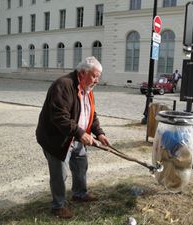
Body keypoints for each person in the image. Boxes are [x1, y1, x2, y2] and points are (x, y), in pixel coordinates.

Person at [36, 56, 110, 219]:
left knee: (80, 164)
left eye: (98, 77)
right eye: (94, 76)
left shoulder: (87, 89)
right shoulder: (63, 85)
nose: (97, 80)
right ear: (82, 73)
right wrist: (81, 133)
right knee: (59, 174)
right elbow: (59, 117)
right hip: (56, 139)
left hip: (75, 137)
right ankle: (58, 206)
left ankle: (79, 194)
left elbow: (91, 114)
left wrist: (99, 133)